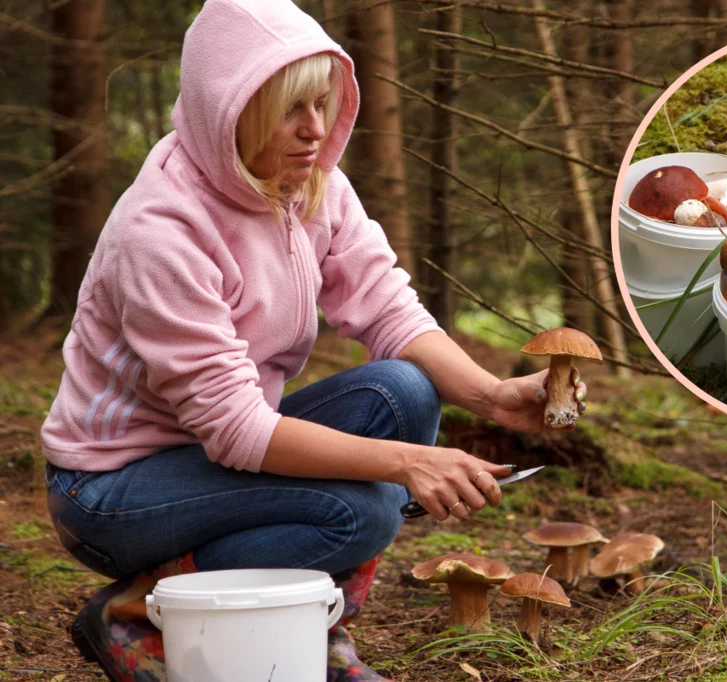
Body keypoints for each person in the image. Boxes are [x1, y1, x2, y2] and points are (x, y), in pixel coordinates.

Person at [39, 1, 588, 680]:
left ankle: (321, 631)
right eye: (290, 110)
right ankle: (134, 613)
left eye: (324, 103)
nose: (316, 130)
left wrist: (494, 395)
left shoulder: (310, 183)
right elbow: (235, 430)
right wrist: (405, 466)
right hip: (112, 489)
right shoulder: (161, 232)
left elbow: (388, 308)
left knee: (405, 392)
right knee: (359, 511)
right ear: (229, 110)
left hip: (214, 455)